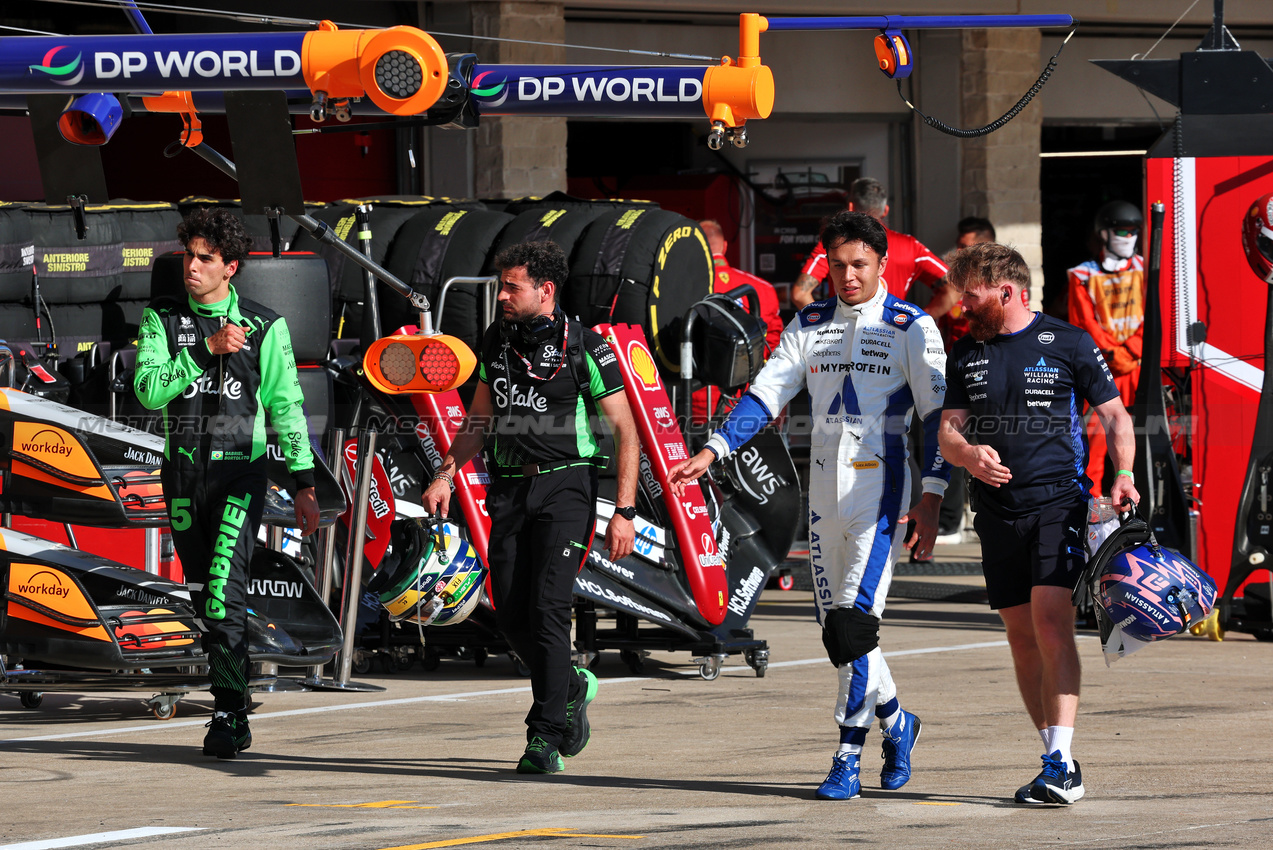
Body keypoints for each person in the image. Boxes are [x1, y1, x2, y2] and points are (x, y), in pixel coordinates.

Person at [669, 210, 949, 801]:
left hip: (879, 495)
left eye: (860, 265)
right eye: (838, 266)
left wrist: (933, 496)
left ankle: (847, 757)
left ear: (882, 264)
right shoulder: (810, 321)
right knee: (837, 633)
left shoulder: (912, 325)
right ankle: (898, 721)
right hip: (821, 495)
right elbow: (766, 392)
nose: (849, 277)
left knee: (854, 623)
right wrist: (715, 449)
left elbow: (939, 420)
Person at [422, 240, 639, 775]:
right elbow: (478, 419)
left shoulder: (587, 346)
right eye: (501, 286)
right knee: (511, 615)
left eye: (511, 287)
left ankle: (543, 737)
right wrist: (445, 474)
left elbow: (626, 430)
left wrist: (625, 511)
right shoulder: (496, 340)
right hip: (509, 490)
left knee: (547, 607)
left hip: (567, 488)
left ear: (546, 290)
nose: (501, 295)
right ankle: (571, 685)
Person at [938, 242, 1139, 805]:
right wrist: (968, 455)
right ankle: (1058, 760)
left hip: (1059, 504)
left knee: (1051, 625)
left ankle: (1059, 762)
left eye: (970, 296)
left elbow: (1116, 416)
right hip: (995, 513)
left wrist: (1123, 473)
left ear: (1006, 292)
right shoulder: (966, 353)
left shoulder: (1069, 341)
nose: (962, 306)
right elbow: (948, 432)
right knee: (1021, 638)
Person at [134, 207, 320, 759]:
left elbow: (287, 408)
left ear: (230, 267)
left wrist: (304, 483)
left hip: (240, 473)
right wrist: (202, 351)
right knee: (203, 598)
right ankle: (233, 702)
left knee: (222, 593)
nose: (191, 267)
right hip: (183, 476)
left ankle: (228, 711)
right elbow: (148, 390)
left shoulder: (265, 325)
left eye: (205, 258)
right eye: (187, 256)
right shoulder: (161, 318)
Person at [1067, 201, 1145, 497]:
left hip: (1139, 367)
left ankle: (1143, 501)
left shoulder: (1147, 268)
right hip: (1104, 369)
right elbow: (1083, 322)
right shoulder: (1081, 274)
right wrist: (1114, 354)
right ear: (1103, 233)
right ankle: (1094, 507)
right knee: (1096, 442)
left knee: (1154, 435)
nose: (1128, 237)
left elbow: (1156, 315)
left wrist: (1133, 349)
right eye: (1121, 231)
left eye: (1133, 231)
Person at [791, 177, 948, 311]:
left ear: (850, 207)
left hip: (845, 333)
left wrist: (825, 327)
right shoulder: (911, 246)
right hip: (892, 332)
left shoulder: (834, 243)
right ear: (885, 210)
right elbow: (953, 287)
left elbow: (800, 294)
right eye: (840, 265)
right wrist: (918, 323)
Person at [934, 217, 997, 541]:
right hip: (956, 368)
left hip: (987, 371)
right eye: (959, 246)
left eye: (966, 247)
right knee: (952, 442)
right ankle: (951, 520)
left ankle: (955, 520)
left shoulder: (998, 283)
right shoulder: (958, 279)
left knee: (978, 444)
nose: (960, 252)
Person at [693, 219, 784, 423]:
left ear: (695, 248)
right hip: (751, 405)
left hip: (698, 409)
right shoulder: (763, 288)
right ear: (725, 247)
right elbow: (775, 348)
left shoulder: (685, 289)